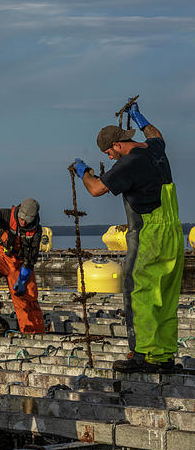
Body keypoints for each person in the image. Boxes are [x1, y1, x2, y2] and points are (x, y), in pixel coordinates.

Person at [72, 102, 184, 373]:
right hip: (173, 235)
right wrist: (141, 118)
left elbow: (97, 189)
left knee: (138, 293)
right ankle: (163, 356)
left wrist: (83, 171)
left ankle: (142, 355)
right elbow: (156, 135)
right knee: (165, 296)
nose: (110, 158)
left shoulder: (129, 163)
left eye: (109, 152)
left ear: (119, 145)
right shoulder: (155, 150)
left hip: (150, 236)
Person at [0, 199, 46, 334]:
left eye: (27, 220)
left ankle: (33, 331)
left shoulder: (36, 232)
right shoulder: (7, 215)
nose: (23, 222)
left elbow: (30, 259)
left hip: (18, 263)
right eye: (21, 218)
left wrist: (23, 280)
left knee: (27, 294)